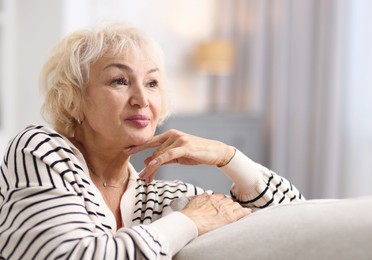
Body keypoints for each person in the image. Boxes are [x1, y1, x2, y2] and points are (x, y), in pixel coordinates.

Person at [0, 22, 304, 259]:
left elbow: (297, 222)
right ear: (72, 101)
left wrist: (228, 156)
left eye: (152, 83)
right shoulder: (38, 150)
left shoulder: (158, 197)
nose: (142, 98)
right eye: (120, 80)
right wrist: (188, 223)